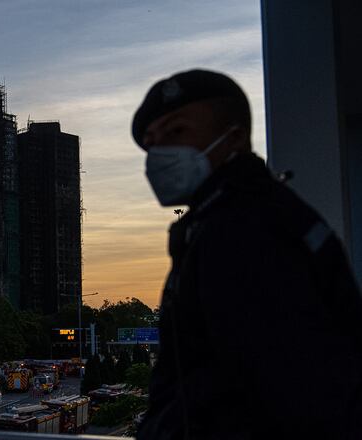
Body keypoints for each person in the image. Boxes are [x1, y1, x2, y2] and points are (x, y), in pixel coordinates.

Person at [132, 69, 362, 439]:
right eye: (151, 142)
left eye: (176, 132)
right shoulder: (229, 219)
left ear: (233, 137)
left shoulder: (247, 228)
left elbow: (287, 389)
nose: (159, 153)